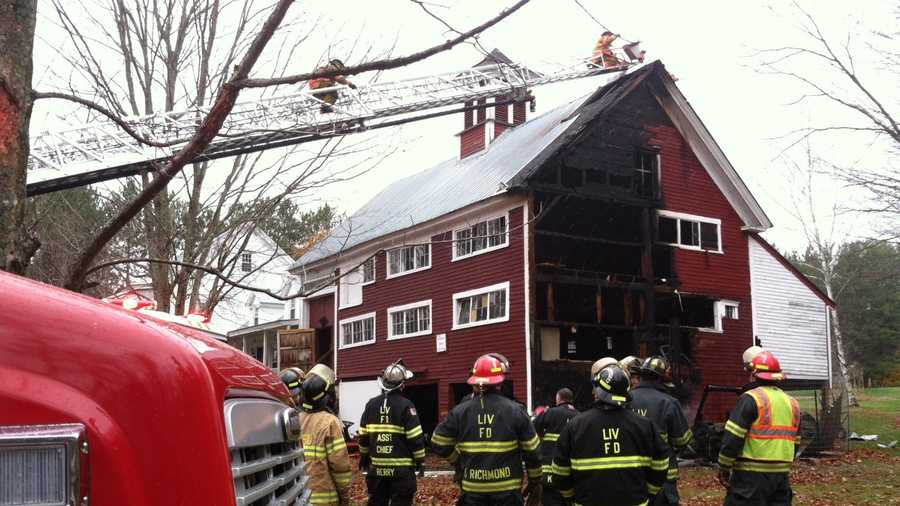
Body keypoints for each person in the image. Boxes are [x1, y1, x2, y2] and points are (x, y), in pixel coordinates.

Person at [549, 364, 669, 506]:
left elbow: (559, 471)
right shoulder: (645, 425)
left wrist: (570, 497)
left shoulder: (575, 426)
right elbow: (661, 465)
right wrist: (648, 493)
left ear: (597, 393)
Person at [432, 353, 543, 505]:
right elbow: (533, 451)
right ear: (500, 381)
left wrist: (457, 460)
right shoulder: (516, 410)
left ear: (475, 382)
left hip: (473, 491)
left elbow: (438, 442)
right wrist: (535, 480)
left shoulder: (460, 411)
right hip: (507, 491)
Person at [717, 351, 801, 506]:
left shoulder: (751, 399)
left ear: (754, 375)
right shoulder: (793, 403)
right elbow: (796, 442)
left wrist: (724, 465)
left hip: (750, 476)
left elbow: (733, 438)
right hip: (781, 475)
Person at [358, 359, 426, 506]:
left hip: (377, 472)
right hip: (401, 472)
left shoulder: (371, 404)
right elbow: (415, 438)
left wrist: (363, 457)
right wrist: (421, 461)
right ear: (402, 385)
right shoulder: (407, 406)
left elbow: (363, 436)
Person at [630, 356, 693, 505]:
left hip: (632, 475)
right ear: (661, 378)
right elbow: (682, 440)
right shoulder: (668, 402)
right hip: (663, 478)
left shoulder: (626, 399)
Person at [299, 363, 353, 505]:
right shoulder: (330, 422)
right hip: (325, 498)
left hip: (299, 497)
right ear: (327, 396)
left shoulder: (295, 419)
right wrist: (344, 494)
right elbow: (340, 466)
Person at [532, 388, 578, 506]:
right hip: (571, 476)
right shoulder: (580, 417)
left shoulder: (551, 412)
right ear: (571, 400)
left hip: (550, 475)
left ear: (558, 399)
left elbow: (532, 427)